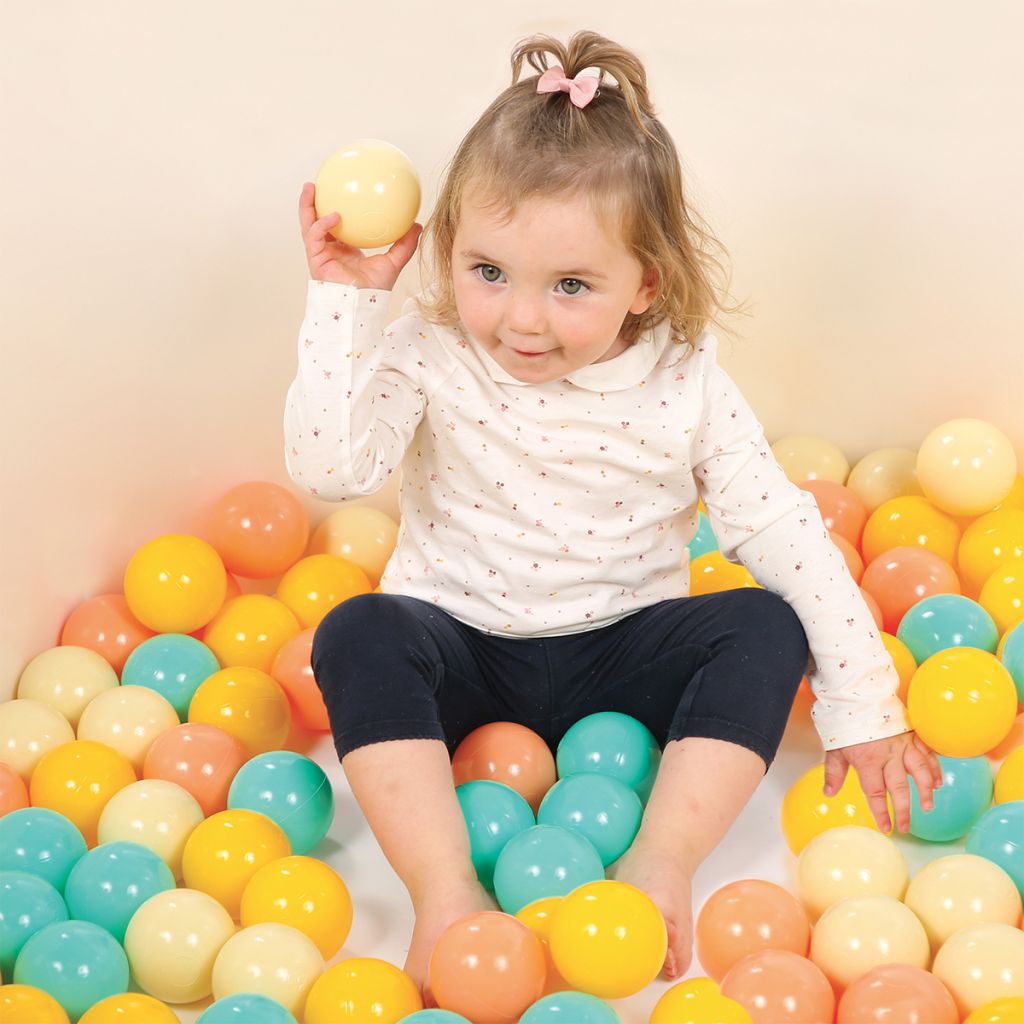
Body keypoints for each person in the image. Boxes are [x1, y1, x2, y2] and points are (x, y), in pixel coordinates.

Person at [285, 29, 942, 993]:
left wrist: (863, 706)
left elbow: (782, 530)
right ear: (451, 249)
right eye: (489, 271)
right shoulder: (429, 352)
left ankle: (662, 861)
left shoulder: (686, 383)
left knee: (762, 622)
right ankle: (443, 891)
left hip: (625, 656)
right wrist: (345, 303)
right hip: (461, 647)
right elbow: (332, 470)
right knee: (357, 629)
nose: (522, 319)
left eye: (573, 287)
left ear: (648, 285)